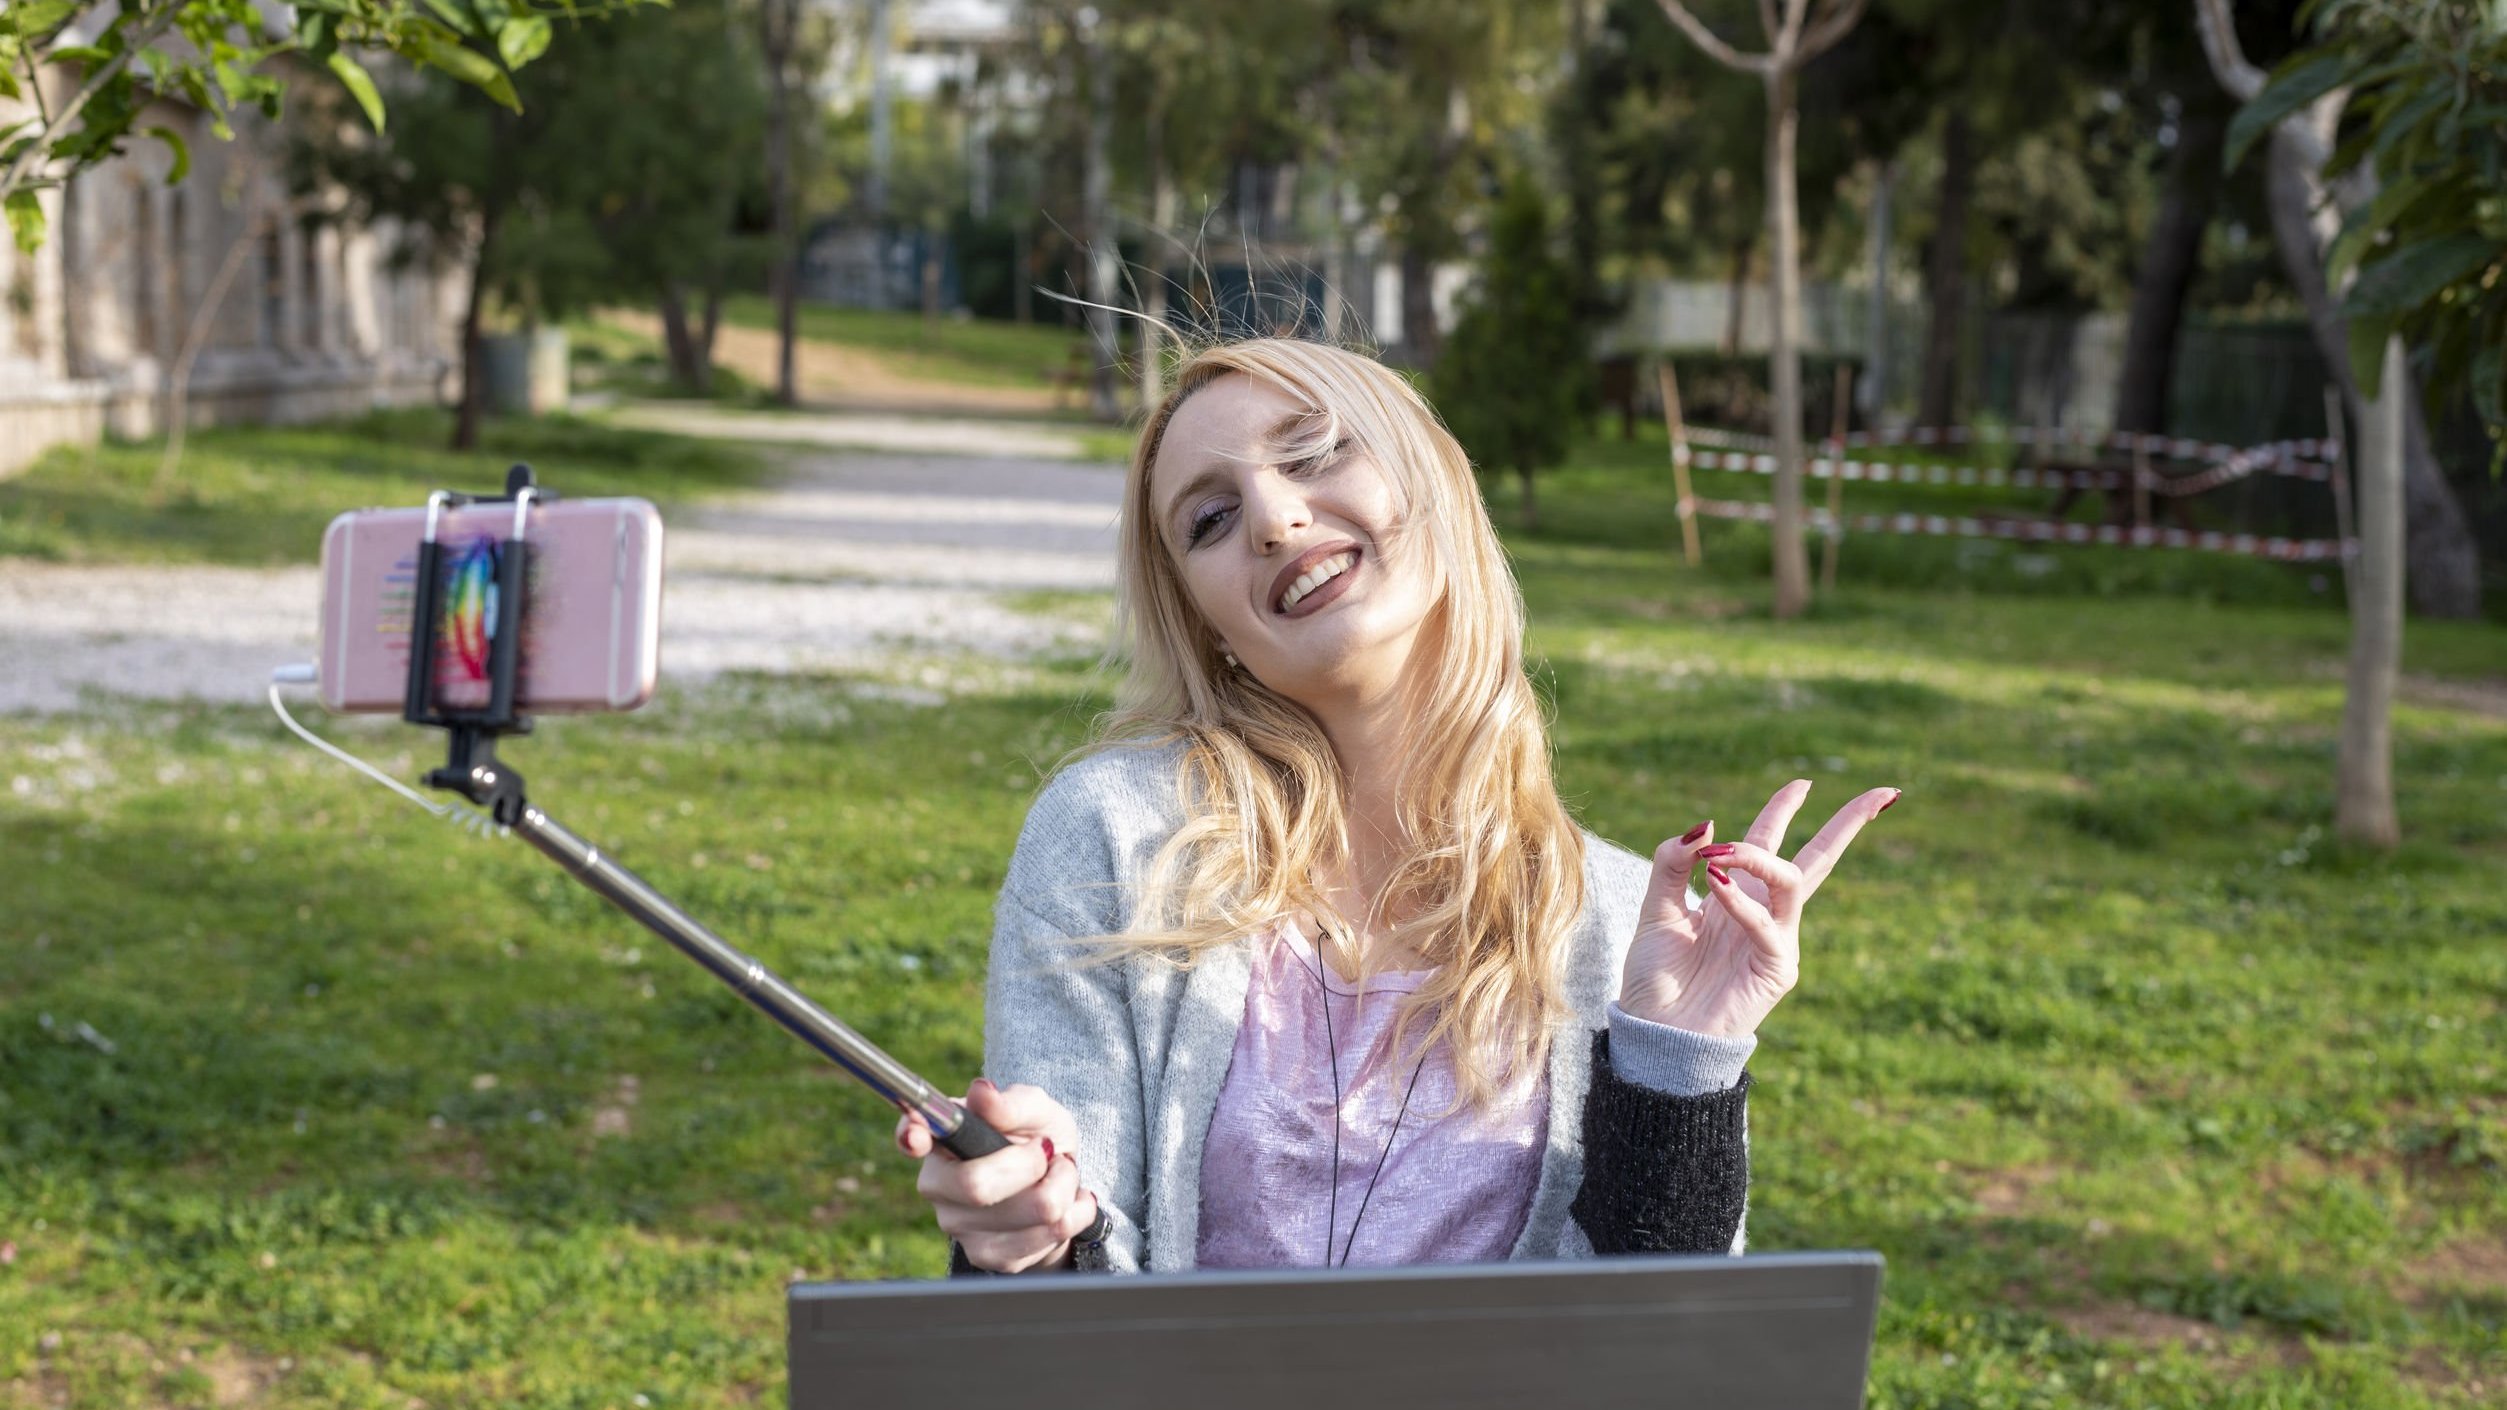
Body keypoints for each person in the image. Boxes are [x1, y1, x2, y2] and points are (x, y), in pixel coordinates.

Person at [895, 337, 1897, 1274]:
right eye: (1208, 520)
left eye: (1316, 454)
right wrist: (1020, 1232)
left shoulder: (1627, 927)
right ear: (1209, 631)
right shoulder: (1117, 839)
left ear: (1432, 489)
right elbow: (1055, 1320)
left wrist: (1679, 1063)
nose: (1274, 518)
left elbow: (1661, 1354)